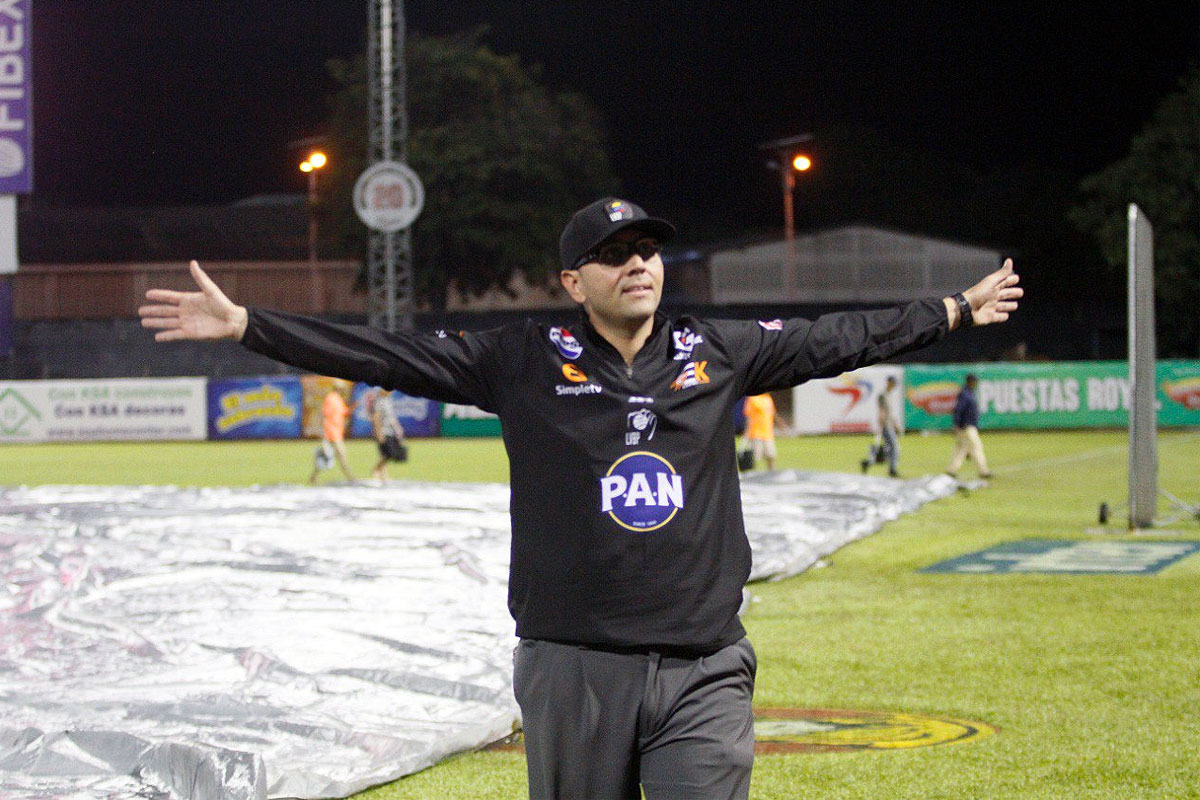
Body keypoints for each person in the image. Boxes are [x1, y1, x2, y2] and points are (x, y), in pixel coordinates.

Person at [139, 196, 1022, 800]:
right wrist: (251, 325)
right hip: (572, 669)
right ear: (573, 282)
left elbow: (842, 339)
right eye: (611, 256)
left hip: (703, 665)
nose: (636, 265)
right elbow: (385, 354)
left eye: (645, 251)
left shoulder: (722, 349)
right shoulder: (519, 359)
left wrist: (949, 310)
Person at [308, 381, 357, 484]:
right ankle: (350, 477)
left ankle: (313, 477)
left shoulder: (338, 399)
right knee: (342, 454)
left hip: (337, 431)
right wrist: (325, 433)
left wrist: (353, 407)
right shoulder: (330, 398)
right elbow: (325, 415)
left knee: (327, 455)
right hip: (332, 431)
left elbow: (345, 412)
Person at [947, 372, 992, 479]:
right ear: (970, 382)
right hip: (967, 426)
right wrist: (956, 424)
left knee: (961, 448)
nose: (976, 383)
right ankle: (983, 471)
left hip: (967, 426)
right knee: (976, 447)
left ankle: (951, 470)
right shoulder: (965, 394)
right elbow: (959, 409)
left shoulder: (968, 392)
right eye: (974, 381)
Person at [860, 375, 903, 477]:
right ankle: (892, 470)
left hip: (888, 425)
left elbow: (889, 413)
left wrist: (895, 424)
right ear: (888, 382)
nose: (894, 385)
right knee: (895, 447)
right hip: (885, 426)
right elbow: (882, 411)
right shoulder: (882, 395)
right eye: (892, 383)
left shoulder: (888, 395)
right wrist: (881, 424)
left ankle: (868, 462)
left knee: (887, 450)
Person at [369, 388, 407, 482]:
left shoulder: (388, 400)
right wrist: (378, 433)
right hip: (383, 431)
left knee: (386, 453)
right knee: (388, 453)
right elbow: (376, 418)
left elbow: (391, 417)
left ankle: (383, 474)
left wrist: (398, 428)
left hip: (390, 431)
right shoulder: (379, 401)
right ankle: (377, 470)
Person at [742, 393, 778, 471]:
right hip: (756, 433)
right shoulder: (753, 398)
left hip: (768, 433)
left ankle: (772, 473)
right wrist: (747, 432)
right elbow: (749, 417)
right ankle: (753, 476)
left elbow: (773, 413)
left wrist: (781, 425)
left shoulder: (768, 398)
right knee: (756, 457)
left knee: (771, 455)